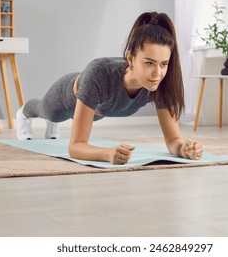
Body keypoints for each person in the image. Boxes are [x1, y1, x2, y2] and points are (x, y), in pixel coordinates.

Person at [16, 11, 203, 164]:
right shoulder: (99, 73)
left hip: (100, 108)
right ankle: (23, 112)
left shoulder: (160, 84)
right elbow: (76, 146)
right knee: (47, 112)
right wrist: (107, 154)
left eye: (164, 64)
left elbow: (173, 141)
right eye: (149, 63)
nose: (157, 73)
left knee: (60, 118)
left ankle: (51, 125)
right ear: (130, 58)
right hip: (68, 97)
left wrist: (184, 149)